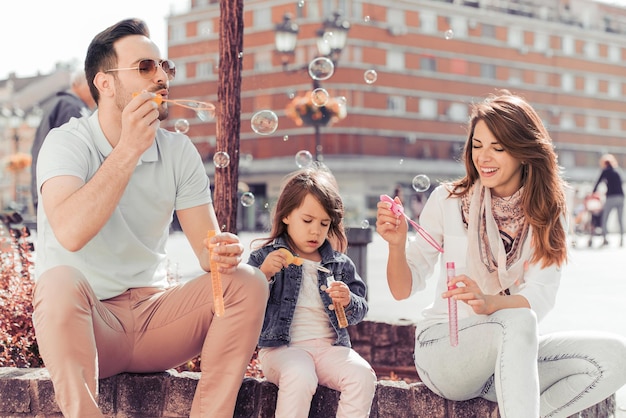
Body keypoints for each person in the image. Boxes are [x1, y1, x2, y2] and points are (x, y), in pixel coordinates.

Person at [32, 18, 268, 418]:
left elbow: (207, 256)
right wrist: (127, 150)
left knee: (247, 281)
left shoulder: (178, 151)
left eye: (164, 67)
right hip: (88, 327)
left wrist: (224, 253)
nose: (161, 77)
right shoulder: (66, 143)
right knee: (58, 282)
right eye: (145, 67)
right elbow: (70, 233)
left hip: (157, 321)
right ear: (104, 83)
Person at [376, 91, 626, 418]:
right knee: (517, 319)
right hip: (445, 349)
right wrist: (396, 246)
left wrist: (491, 302)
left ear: (524, 152)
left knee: (614, 356)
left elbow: (540, 294)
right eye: (477, 146)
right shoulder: (448, 200)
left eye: (498, 147)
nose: (484, 157)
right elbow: (402, 288)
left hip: (505, 358)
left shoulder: (549, 210)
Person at [247, 164, 376, 418]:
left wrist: (348, 300)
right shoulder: (266, 257)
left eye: (324, 223)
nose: (315, 230)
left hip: (330, 349)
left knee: (361, 376)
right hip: (281, 350)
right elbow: (242, 304)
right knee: (300, 373)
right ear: (286, 215)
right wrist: (263, 276)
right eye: (307, 220)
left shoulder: (340, 264)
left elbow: (360, 310)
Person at [30, 69, 96, 211]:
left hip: (48, 189)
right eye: (93, 85)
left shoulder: (62, 104)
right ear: (79, 84)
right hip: (60, 193)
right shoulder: (70, 107)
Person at [591, 153, 624, 247]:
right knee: (620, 219)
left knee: (604, 218)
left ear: (604, 163)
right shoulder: (617, 171)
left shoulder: (605, 171)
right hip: (621, 197)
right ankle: (621, 240)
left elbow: (598, 182)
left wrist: (593, 192)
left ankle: (605, 238)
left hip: (611, 197)